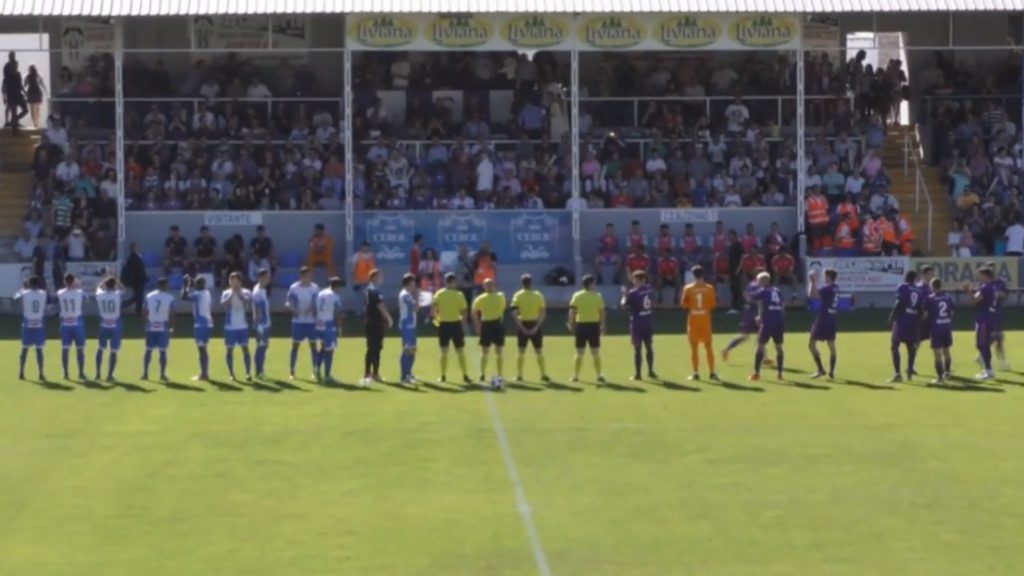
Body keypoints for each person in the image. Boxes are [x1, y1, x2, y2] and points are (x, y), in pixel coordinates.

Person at [433, 273, 472, 384]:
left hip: (444, 324)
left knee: (444, 351)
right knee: (460, 351)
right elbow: (464, 311)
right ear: (454, 282)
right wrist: (463, 324)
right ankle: (465, 375)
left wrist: (436, 319)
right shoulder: (459, 295)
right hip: (456, 324)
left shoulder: (439, 294)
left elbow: (434, 308)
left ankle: (443, 376)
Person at [680, 266, 717, 381]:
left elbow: (683, 305)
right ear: (703, 274)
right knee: (708, 346)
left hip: (693, 320)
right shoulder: (710, 288)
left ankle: (696, 373)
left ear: (693, 275)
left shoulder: (688, 288)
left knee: (694, 348)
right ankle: (712, 373)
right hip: (705, 320)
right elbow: (713, 305)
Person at [510, 273, 549, 382]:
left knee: (521, 351)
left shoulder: (518, 295)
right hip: (534, 323)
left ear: (522, 283)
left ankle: (519, 375)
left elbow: (514, 313)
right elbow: (543, 312)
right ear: (531, 282)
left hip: (523, 322)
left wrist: (521, 327)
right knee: (539, 351)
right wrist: (537, 326)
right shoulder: (538, 295)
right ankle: (543, 374)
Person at [568, 274, 606, 383]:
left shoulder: (577, 295)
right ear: (590, 284)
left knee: (579, 352)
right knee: (595, 352)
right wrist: (602, 325)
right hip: (593, 326)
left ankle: (575, 375)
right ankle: (599, 375)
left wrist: (571, 324)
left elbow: (572, 311)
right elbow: (602, 312)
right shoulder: (597, 296)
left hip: (581, 326)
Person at [887, 271, 922, 382]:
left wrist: (892, 316)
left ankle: (897, 374)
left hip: (902, 320)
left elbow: (899, 302)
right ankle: (910, 372)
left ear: (905, 277)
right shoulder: (919, 291)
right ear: (915, 278)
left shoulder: (903, 287)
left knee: (894, 345)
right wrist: (918, 322)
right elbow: (920, 308)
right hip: (913, 320)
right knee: (911, 347)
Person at [622, 270, 658, 380]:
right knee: (649, 347)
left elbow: (624, 305)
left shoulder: (632, 293)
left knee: (637, 349)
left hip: (637, 322)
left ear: (637, 280)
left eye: (635, 279)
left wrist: (624, 296)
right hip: (648, 320)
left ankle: (638, 374)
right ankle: (651, 371)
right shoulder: (649, 290)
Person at [286, 266, 320, 380]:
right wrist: (294, 310)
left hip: (311, 321)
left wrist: (312, 309)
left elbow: (317, 302)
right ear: (302, 276)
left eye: (310, 275)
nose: (309, 277)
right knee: (295, 346)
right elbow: (288, 303)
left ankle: (315, 370)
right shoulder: (294, 288)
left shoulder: (314, 288)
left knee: (313, 346)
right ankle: (292, 371)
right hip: (298, 321)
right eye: (307, 275)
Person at [751, 272, 785, 381]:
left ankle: (756, 373)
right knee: (779, 347)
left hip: (768, 322)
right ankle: (780, 373)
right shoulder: (777, 291)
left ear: (764, 281)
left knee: (760, 346)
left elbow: (752, 297)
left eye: (758, 281)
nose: (757, 283)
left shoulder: (763, 291)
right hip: (779, 321)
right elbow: (782, 306)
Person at [473, 278, 507, 382]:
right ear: (484, 287)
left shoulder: (498, 296)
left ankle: (499, 373)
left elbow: (474, 311)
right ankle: (483, 374)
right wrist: (478, 325)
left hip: (495, 324)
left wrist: (478, 325)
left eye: (490, 285)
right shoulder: (482, 298)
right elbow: (474, 311)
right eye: (487, 285)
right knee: (485, 351)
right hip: (487, 324)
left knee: (498, 351)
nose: (489, 287)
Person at [807, 268, 839, 380]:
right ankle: (832, 372)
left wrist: (812, 281)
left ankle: (821, 369)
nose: (824, 278)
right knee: (832, 346)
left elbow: (812, 295)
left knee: (811, 344)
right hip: (832, 319)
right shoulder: (836, 287)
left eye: (825, 276)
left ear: (829, 276)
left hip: (823, 319)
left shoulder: (827, 288)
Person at [221, 271, 253, 382]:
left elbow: (248, 303)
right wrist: (231, 295)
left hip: (242, 326)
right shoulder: (226, 293)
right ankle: (231, 373)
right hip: (230, 327)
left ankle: (248, 373)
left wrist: (239, 295)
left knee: (245, 348)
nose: (233, 283)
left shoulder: (246, 292)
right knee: (229, 350)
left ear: (240, 281)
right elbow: (223, 305)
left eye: (235, 281)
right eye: (231, 280)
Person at [15, 276, 47, 381]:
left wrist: (23, 288)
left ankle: (21, 372)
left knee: (24, 349)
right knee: (39, 350)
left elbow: (15, 296)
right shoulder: (43, 294)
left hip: (27, 323)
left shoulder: (25, 293)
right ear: (38, 284)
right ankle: (41, 373)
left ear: (29, 284)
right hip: (39, 324)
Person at [143, 278, 176, 381]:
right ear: (165, 285)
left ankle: (145, 374)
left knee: (148, 350)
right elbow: (172, 313)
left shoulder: (149, 296)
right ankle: (162, 374)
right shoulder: (170, 298)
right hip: (163, 326)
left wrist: (146, 322)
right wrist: (172, 326)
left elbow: (144, 311)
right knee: (162, 351)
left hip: (151, 325)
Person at [363, 269, 392, 384]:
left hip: (370, 321)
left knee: (372, 348)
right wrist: (388, 318)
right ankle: (374, 374)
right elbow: (380, 305)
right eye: (380, 276)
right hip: (375, 322)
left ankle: (369, 373)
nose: (381, 278)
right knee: (375, 348)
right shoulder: (374, 290)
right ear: (374, 277)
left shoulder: (368, 289)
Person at [922, 278, 954, 384]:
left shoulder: (930, 299)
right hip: (947, 327)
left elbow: (925, 315)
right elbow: (952, 312)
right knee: (947, 351)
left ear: (932, 286)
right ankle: (948, 372)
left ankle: (940, 378)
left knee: (937, 354)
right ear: (941, 286)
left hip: (936, 329)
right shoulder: (948, 297)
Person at [182, 275, 213, 381]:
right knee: (204, 348)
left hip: (200, 324)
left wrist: (186, 284)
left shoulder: (198, 294)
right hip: (208, 323)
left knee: (201, 349)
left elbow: (183, 297)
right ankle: (205, 372)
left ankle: (204, 374)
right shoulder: (207, 293)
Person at [57, 273, 87, 381]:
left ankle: (65, 373)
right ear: (73, 281)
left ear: (64, 282)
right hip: (77, 322)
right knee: (80, 349)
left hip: (65, 323)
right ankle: (81, 372)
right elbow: (80, 286)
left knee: (65, 349)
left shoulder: (60, 293)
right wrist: (76, 281)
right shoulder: (79, 293)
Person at [95, 275, 124, 382]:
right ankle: (110, 375)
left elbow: (98, 288)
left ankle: (98, 373)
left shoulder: (101, 295)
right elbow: (123, 289)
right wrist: (116, 280)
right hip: (115, 325)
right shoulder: (117, 295)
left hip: (104, 324)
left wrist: (104, 280)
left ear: (106, 286)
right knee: (113, 351)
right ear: (114, 285)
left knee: (100, 349)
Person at [970, 267, 998, 381]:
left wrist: (968, 291)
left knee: (982, 344)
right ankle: (988, 368)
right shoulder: (990, 287)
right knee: (981, 344)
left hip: (984, 319)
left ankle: (989, 370)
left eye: (980, 275)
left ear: (986, 276)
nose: (979, 278)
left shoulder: (986, 287)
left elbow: (975, 300)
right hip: (986, 318)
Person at [315, 277, 344, 383]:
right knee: (330, 350)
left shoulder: (320, 293)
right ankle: (327, 375)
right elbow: (337, 313)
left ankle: (316, 369)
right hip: (328, 324)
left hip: (319, 324)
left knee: (322, 348)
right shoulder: (335, 297)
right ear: (336, 286)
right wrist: (339, 327)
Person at [983, 261, 1009, 371]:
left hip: (997, 313)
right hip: (988, 314)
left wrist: (1000, 294)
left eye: (993, 268)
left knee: (998, 338)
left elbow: (1005, 295)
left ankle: (983, 355)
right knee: (998, 336)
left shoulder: (1000, 282)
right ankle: (1001, 361)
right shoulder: (984, 284)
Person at [397, 273, 420, 384]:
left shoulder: (408, 294)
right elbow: (415, 308)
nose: (415, 284)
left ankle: (409, 373)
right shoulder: (405, 294)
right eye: (413, 282)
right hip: (406, 324)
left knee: (413, 349)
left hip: (411, 324)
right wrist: (418, 297)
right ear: (409, 283)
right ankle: (403, 375)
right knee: (407, 349)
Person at [252, 268, 272, 379]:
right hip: (262, 324)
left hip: (266, 323)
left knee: (264, 346)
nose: (268, 279)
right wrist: (259, 326)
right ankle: (258, 371)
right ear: (261, 277)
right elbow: (257, 310)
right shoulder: (258, 292)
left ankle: (260, 369)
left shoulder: (262, 290)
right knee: (261, 346)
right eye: (267, 277)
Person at [121, 242, 148, 316]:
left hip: (139, 280)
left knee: (138, 297)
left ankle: (137, 311)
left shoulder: (135, 257)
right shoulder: (133, 257)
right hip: (137, 280)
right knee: (138, 297)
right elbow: (134, 270)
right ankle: (125, 305)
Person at [24, 64, 46, 129]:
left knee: (33, 109)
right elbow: (42, 84)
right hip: (36, 92)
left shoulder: (28, 76)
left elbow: (24, 84)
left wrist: (24, 92)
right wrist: (46, 91)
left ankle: (35, 123)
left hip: (32, 92)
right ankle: (37, 123)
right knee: (37, 109)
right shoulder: (38, 75)